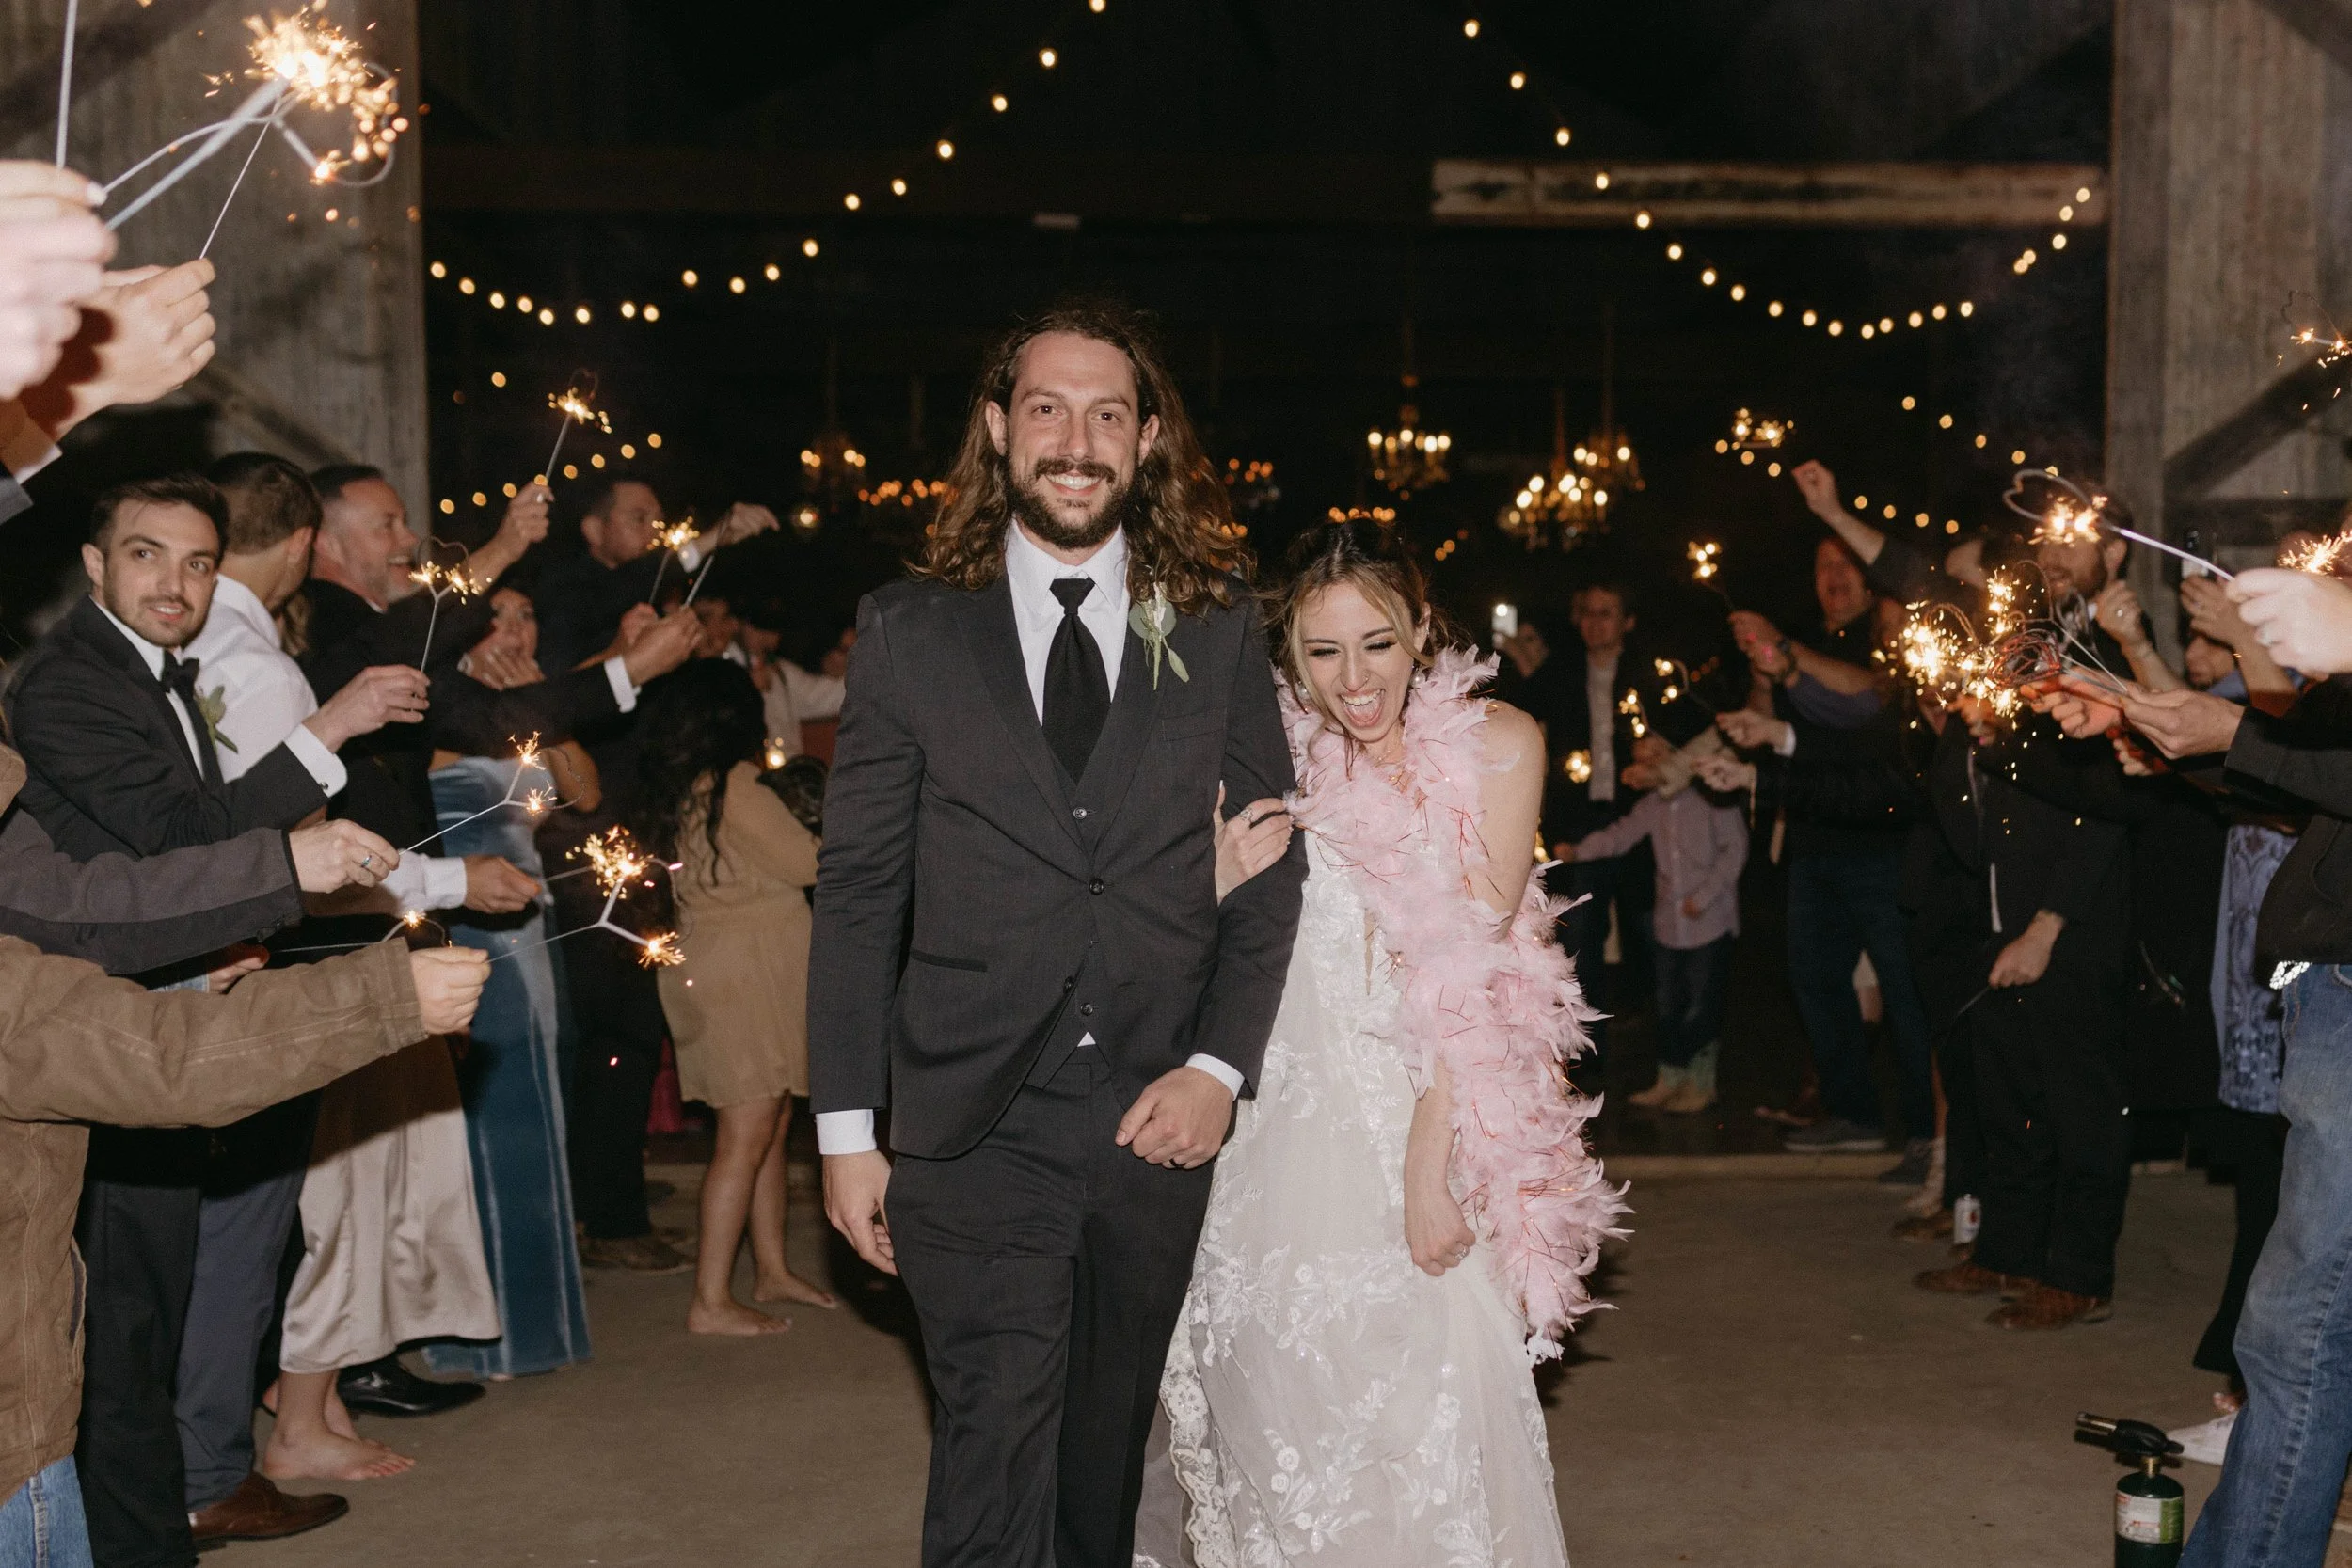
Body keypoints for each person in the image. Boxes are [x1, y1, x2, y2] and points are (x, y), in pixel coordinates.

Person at [809, 298, 1306, 1568]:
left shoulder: (1215, 621)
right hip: (971, 1115)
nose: (1075, 443)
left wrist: (1217, 1066)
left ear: (1146, 440)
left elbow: (1268, 864)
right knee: (994, 1437)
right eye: (1046, 409)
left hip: (1153, 1114)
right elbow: (858, 893)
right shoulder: (909, 630)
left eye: (1105, 415)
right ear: (997, 428)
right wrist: (847, 1133)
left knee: (1102, 1457)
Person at [1142, 520, 1622, 1567]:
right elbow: (1190, 943)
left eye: (1377, 643)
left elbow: (1476, 968)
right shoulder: (1265, 747)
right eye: (1323, 651)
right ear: (1289, 653)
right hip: (1274, 1138)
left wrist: (1425, 1166)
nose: (1353, 679)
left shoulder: (1498, 744)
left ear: (1420, 630)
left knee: (1421, 1418)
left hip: (1416, 1118)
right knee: (1280, 1419)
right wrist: (1211, 880)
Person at [528, 476, 771, 1272]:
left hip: (630, 839)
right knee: (618, 1031)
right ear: (592, 529)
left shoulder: (623, 600)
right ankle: (610, 1215)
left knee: (628, 1029)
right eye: (639, 517)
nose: (656, 530)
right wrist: (707, 541)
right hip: (586, 845)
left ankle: (608, 1190)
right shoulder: (571, 592)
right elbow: (565, 697)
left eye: (660, 519)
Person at [421, 587, 597, 1382]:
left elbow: (584, 792)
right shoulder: (439, 707)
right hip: (470, 919)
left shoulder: (531, 709)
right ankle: (478, 1333)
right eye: (499, 616)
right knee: (495, 1119)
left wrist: (542, 709)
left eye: (529, 615)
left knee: (540, 1106)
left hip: (533, 921)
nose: (516, 630)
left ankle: (534, 1322)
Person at [1720, 522, 1933, 1161]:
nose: (1835, 577)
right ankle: (1852, 1113)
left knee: (1904, 988)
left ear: (1870, 577)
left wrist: (1786, 653)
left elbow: (1867, 695)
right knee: (1814, 978)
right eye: (1823, 567)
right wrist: (1762, 671)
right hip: (1813, 838)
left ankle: (1929, 1130)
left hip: (1880, 840)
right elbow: (1769, 717)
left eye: (1846, 565)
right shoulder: (1804, 637)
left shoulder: (1886, 634)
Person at [631, 660, 833, 1335]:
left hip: (732, 970)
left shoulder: (692, 786)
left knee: (768, 1122)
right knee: (745, 1134)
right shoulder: (733, 784)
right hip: (743, 978)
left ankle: (770, 1268)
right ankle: (710, 1299)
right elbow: (807, 861)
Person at [1560, 719, 1749, 1113]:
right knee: (1668, 1004)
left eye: (1656, 755)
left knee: (1701, 1004)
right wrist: (1579, 851)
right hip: (1670, 923)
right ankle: (1670, 1077)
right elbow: (1620, 835)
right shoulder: (1653, 805)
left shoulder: (1713, 798)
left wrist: (1705, 896)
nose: (1646, 766)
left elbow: (1735, 850)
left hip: (1708, 923)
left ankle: (1700, 1082)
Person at [1526, 580, 1662, 1069]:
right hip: (1580, 824)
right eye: (1587, 612)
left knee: (1648, 931)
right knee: (1580, 937)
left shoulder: (1648, 674)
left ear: (1627, 620)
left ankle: (1654, 1042)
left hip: (1640, 821)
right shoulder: (1561, 671)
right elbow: (1521, 710)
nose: (1595, 623)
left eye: (1607, 612)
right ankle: (1586, 1053)